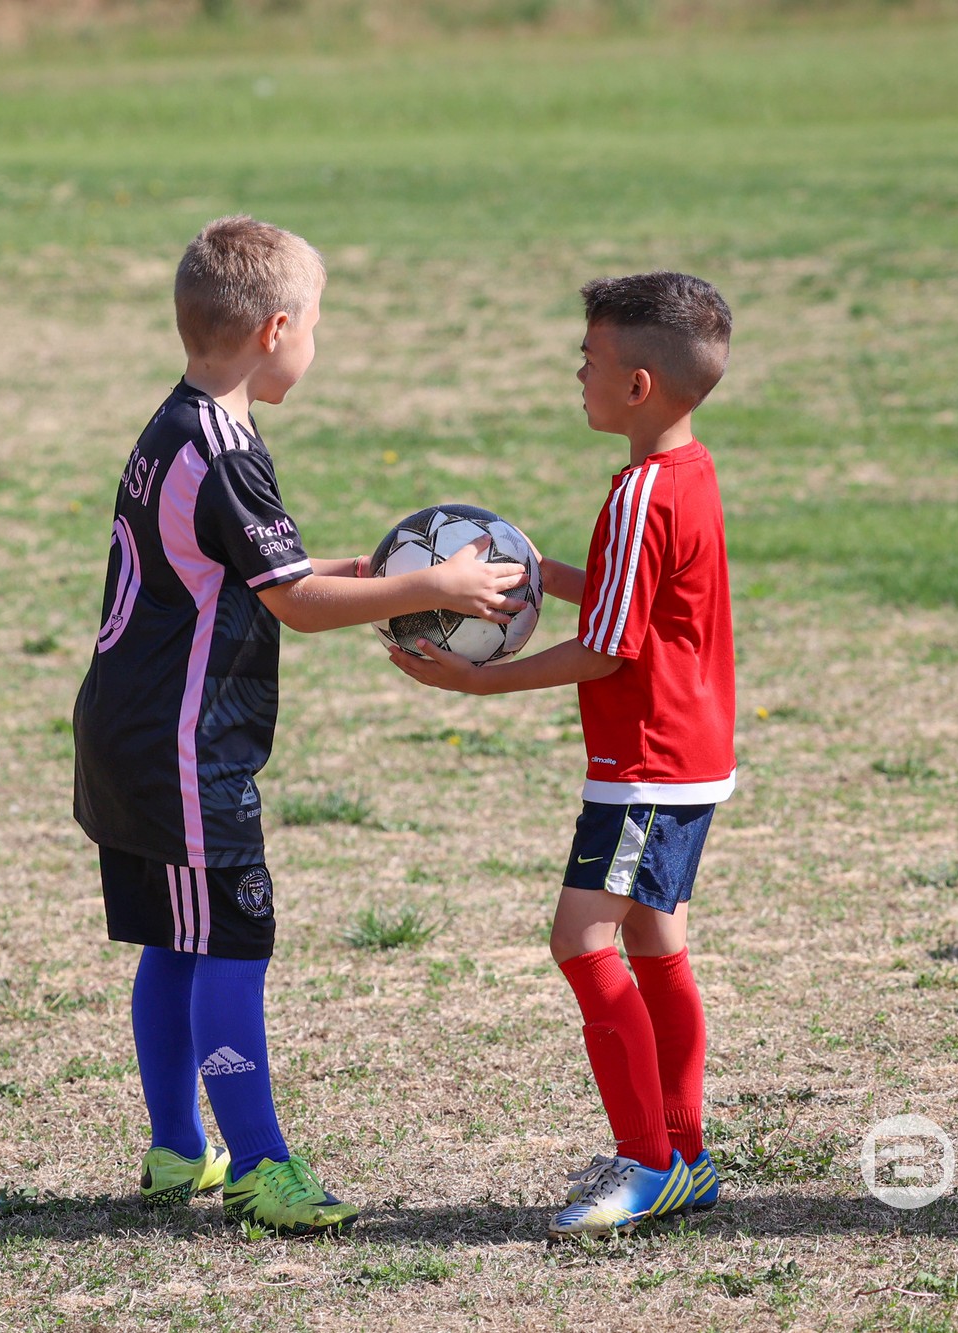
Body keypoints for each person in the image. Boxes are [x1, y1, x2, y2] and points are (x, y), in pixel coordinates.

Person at [72, 216, 525, 1236]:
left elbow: (246, 567)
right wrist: (435, 586)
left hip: (128, 729)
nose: (316, 341)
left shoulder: (178, 425)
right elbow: (295, 605)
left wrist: (366, 571)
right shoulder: (228, 450)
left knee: (177, 937)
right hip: (184, 747)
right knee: (233, 938)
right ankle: (260, 1167)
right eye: (316, 323)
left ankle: (177, 1146)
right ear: (275, 329)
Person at [389, 271, 736, 1239]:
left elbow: (609, 647)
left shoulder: (637, 495)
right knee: (654, 943)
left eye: (587, 359)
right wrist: (545, 573)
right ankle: (685, 1155)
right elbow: (641, 600)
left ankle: (647, 1161)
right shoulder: (687, 471)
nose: (576, 373)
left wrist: (477, 682)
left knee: (580, 942)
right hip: (689, 754)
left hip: (644, 763)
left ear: (636, 386)